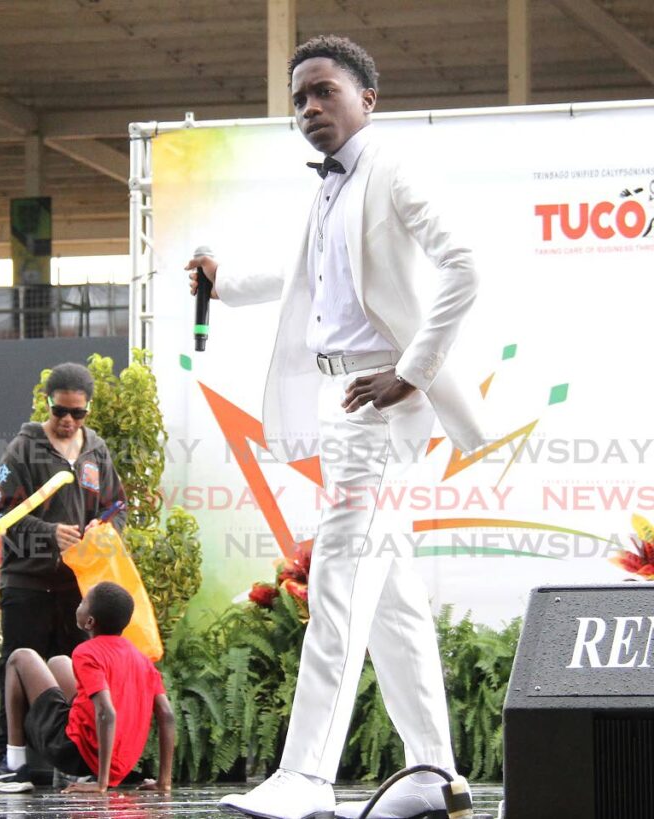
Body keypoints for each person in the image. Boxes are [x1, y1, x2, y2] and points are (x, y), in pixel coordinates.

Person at [187, 36, 485, 819]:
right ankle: (433, 773)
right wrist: (222, 287)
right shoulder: (327, 191)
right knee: (390, 599)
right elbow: (301, 278)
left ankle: (307, 776)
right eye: (299, 99)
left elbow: (465, 267)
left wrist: (412, 371)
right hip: (341, 408)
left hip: (382, 410)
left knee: (339, 579)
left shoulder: (392, 168)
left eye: (324, 91)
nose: (310, 107)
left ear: (366, 100)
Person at [0, 361, 128, 778]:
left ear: (88, 412)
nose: (67, 421)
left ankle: (76, 755)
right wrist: (48, 533)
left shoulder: (96, 450)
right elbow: (1, 516)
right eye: (60, 411)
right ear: (48, 404)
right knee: (17, 664)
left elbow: (117, 506)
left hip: (79, 586)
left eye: (77, 413)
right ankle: (7, 754)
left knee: (78, 667)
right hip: (28, 580)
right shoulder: (22, 450)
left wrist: (105, 527)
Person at [0, 581, 174, 794]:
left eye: (83, 602)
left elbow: (106, 712)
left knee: (20, 657)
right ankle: (86, 773)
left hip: (73, 753)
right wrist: (164, 781)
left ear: (90, 622)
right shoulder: (141, 659)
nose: (79, 605)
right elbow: (166, 714)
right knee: (59, 662)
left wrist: (102, 784)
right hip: (115, 762)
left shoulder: (88, 652)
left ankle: (14, 767)